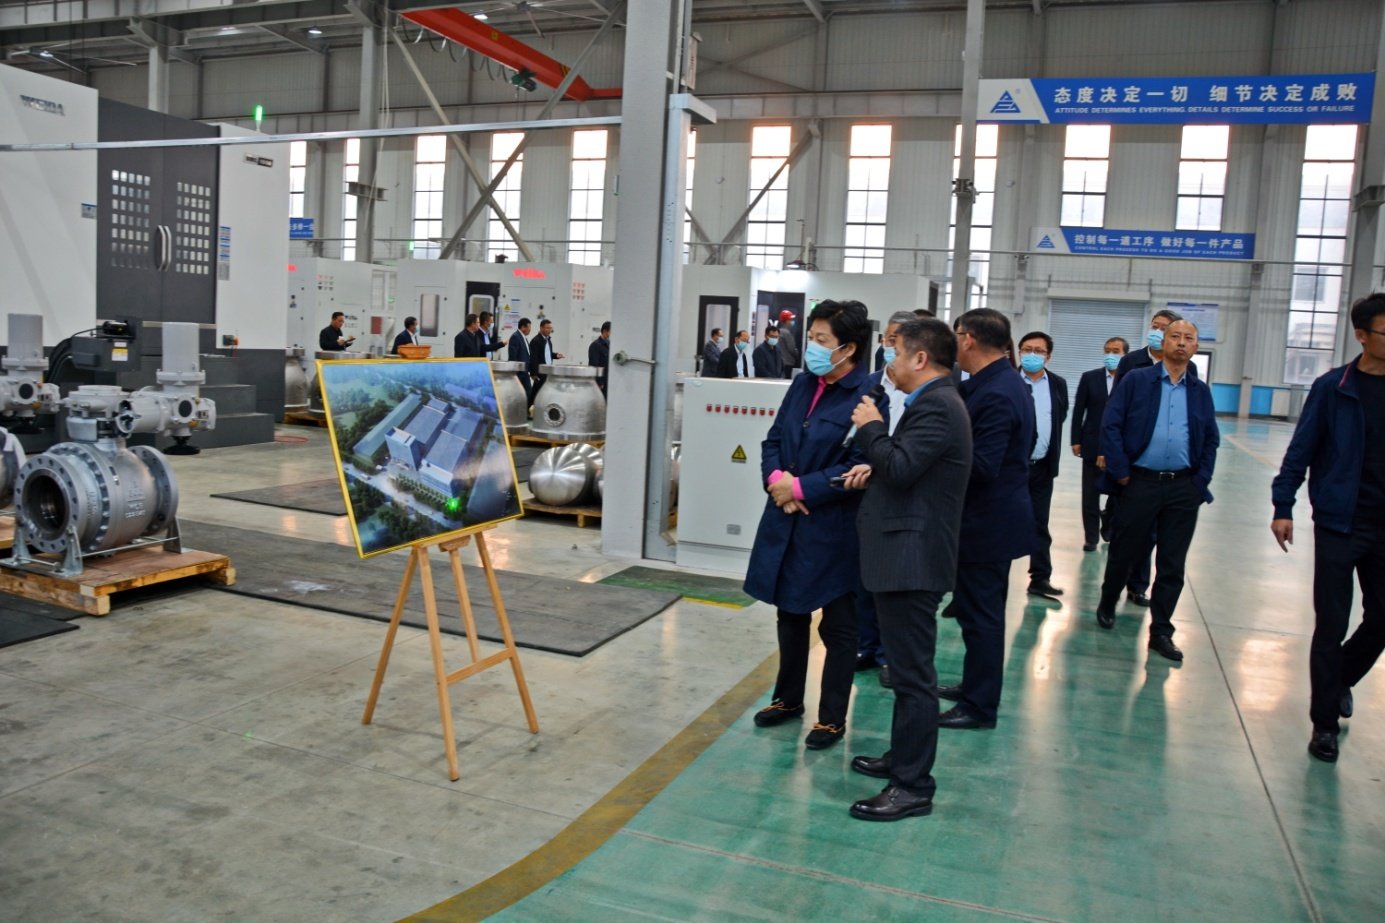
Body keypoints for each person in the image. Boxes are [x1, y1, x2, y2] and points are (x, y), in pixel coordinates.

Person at [843, 318, 972, 823]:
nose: (890, 364)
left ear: (920, 358)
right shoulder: (931, 402)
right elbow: (910, 465)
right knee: (904, 673)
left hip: (912, 560)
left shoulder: (938, 405)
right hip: (904, 555)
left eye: (896, 354)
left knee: (913, 678)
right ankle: (903, 758)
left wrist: (871, 427)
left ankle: (912, 786)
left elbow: (900, 467)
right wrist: (877, 461)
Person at [744, 300, 875, 751]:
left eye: (822, 340)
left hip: (834, 526)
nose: (813, 348)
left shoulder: (867, 394)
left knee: (839, 626)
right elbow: (774, 439)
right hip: (787, 518)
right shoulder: (803, 384)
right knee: (790, 612)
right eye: (812, 338)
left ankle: (832, 718)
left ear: (848, 348)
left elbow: (861, 464)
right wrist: (777, 481)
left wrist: (801, 488)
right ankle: (787, 699)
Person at [1271, 293, 1385, 763]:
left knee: (1381, 620)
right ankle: (1323, 725)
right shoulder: (1332, 388)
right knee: (1331, 624)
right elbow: (1301, 449)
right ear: (1362, 335)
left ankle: (1339, 680)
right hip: (1341, 523)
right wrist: (1283, 504)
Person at [1095, 319, 1220, 663]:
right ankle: (1108, 600)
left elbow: (1211, 439)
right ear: (1162, 343)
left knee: (1172, 563)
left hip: (1183, 487)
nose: (1181, 342)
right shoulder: (1137, 380)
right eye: (1174, 336)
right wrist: (1122, 473)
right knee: (1125, 549)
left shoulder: (1200, 391)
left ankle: (1161, 631)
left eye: (1188, 338)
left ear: (1195, 347)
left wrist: (1200, 482)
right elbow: (1111, 424)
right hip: (1140, 483)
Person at [937, 308, 1035, 730]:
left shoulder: (997, 392)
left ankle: (979, 707)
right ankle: (974, 686)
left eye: (956, 334)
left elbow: (983, 465)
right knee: (977, 614)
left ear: (969, 339)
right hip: (986, 520)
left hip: (987, 523)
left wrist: (932, 459)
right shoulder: (994, 383)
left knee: (982, 617)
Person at [851, 310, 917, 689]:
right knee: (865, 575)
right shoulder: (869, 384)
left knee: (895, 582)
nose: (891, 346)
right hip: (864, 490)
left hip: (903, 491)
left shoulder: (923, 391)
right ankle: (866, 645)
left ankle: (891, 655)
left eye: (898, 340)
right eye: (888, 338)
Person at [1018, 331, 1069, 599]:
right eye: (1027, 349)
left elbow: (1060, 416)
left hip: (1042, 468)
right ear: (1019, 352)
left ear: (1048, 356)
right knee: (995, 524)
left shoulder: (1058, 384)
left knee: (1039, 525)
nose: (1032, 355)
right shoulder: (1009, 381)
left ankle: (1040, 578)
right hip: (1010, 468)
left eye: (1038, 351)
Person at [1071, 337, 1129, 552]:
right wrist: (1075, 439)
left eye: (1116, 351)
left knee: (1117, 493)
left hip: (1119, 447)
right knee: (1090, 495)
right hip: (1092, 444)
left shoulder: (1131, 379)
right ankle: (1091, 537)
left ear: (1125, 355)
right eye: (1107, 350)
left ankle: (1109, 521)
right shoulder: (1090, 378)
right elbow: (1079, 409)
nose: (1111, 355)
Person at [1116, 308, 1197, 383]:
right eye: (1154, 327)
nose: (1156, 332)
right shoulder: (1129, 360)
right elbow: (1118, 392)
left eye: (1164, 329)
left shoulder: (1188, 366)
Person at [528, 318, 564, 395]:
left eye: (551, 328)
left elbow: (546, 354)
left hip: (548, 371)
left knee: (543, 393)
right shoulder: (535, 341)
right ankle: (528, 403)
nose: (549, 330)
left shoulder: (548, 340)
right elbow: (534, 358)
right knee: (536, 392)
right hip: (540, 372)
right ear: (541, 328)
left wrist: (555, 355)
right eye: (547, 328)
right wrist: (533, 374)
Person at [508, 317, 534, 403]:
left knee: (528, 393)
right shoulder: (515, 337)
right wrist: (514, 372)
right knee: (518, 394)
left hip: (525, 372)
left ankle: (524, 410)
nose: (530, 330)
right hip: (519, 373)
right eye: (529, 328)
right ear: (523, 327)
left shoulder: (523, 337)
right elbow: (513, 356)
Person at [588, 321, 611, 395]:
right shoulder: (595, 345)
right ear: (605, 331)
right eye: (611, 331)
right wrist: (599, 382)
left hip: (609, 381)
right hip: (601, 383)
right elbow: (594, 365)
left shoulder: (610, 345)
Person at [776, 310, 800, 378]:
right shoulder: (787, 333)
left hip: (780, 361)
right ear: (786, 321)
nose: (792, 321)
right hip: (788, 362)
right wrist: (797, 353)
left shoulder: (779, 331)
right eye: (790, 320)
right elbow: (791, 349)